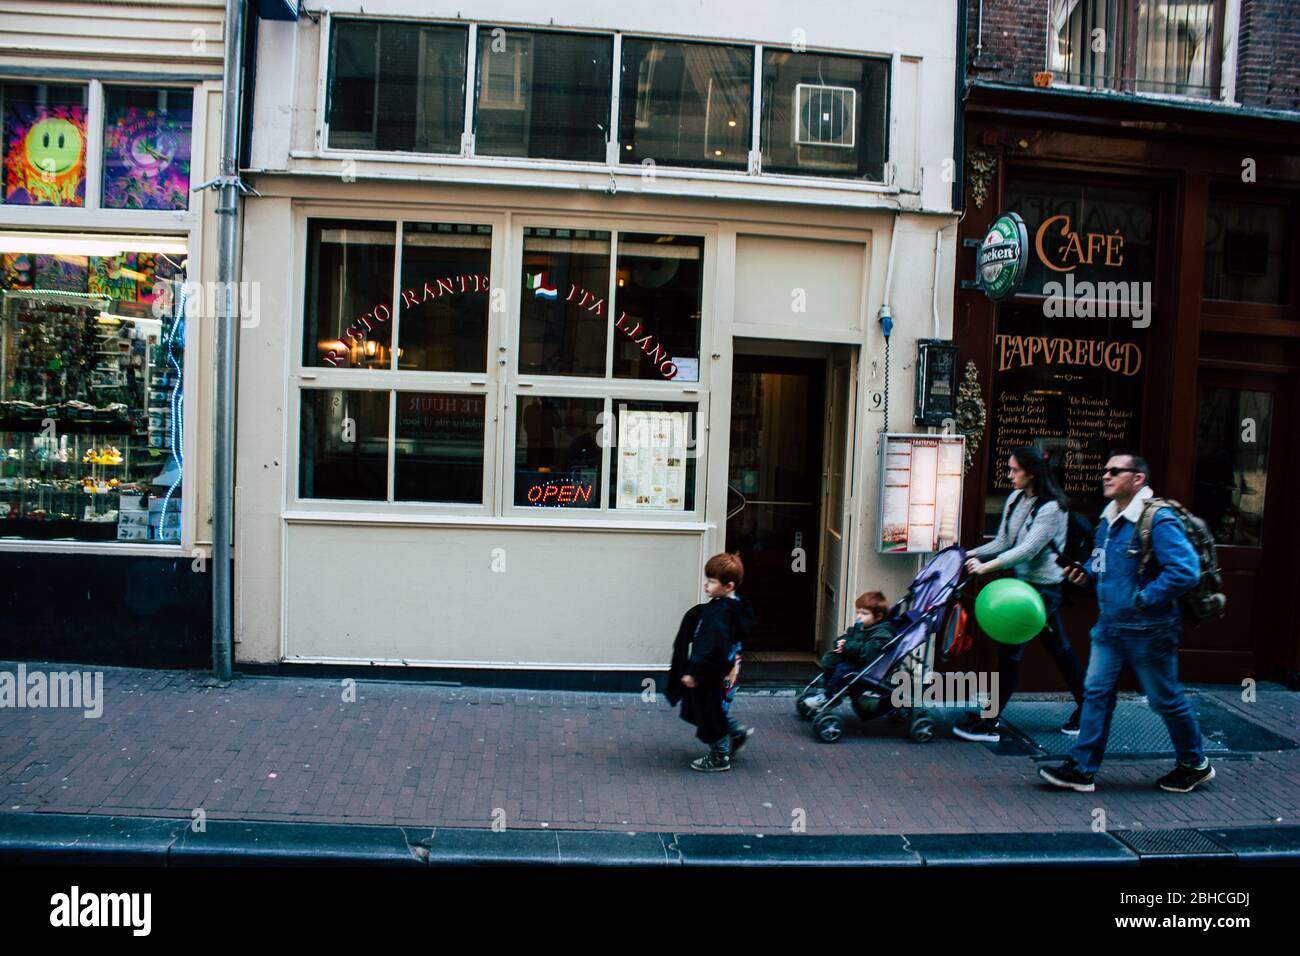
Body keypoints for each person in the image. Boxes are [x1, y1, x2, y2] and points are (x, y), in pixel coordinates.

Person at [1039, 450, 1212, 793]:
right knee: (1096, 693)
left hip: (1150, 631)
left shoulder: (1158, 520)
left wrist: (1143, 598)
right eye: (1105, 470)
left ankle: (1194, 763)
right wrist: (1085, 574)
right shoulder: (1108, 519)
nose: (1106, 475)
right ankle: (1083, 768)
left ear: (1137, 479)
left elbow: (1186, 571)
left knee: (1165, 699)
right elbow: (1101, 562)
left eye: (1115, 471)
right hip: (1110, 629)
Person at [955, 446, 1086, 742]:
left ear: (1032, 473)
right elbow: (1003, 541)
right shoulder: (1015, 499)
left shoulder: (1052, 508)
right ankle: (1090, 706)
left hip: (1043, 589)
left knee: (1011, 652)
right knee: (1059, 649)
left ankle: (990, 721)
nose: (1010, 474)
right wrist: (964, 554)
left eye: (1015, 470)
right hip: (1021, 586)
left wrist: (985, 568)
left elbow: (1027, 550)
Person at [665, 552, 756, 772]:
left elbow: (712, 646)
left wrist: (694, 672)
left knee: (708, 711)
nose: (706, 584)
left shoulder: (719, 615)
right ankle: (736, 732)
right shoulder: (735, 607)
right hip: (728, 672)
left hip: (712, 673)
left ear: (728, 585)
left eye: (712, 581)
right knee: (717, 708)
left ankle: (719, 755)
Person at [802, 591, 896, 711]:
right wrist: (840, 643)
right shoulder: (862, 627)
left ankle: (828, 696)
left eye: (864, 613)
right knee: (832, 661)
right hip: (855, 658)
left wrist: (847, 646)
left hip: (866, 666)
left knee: (842, 669)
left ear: (878, 616)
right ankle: (827, 691)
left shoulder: (882, 633)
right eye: (858, 612)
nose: (859, 616)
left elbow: (867, 653)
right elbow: (849, 637)